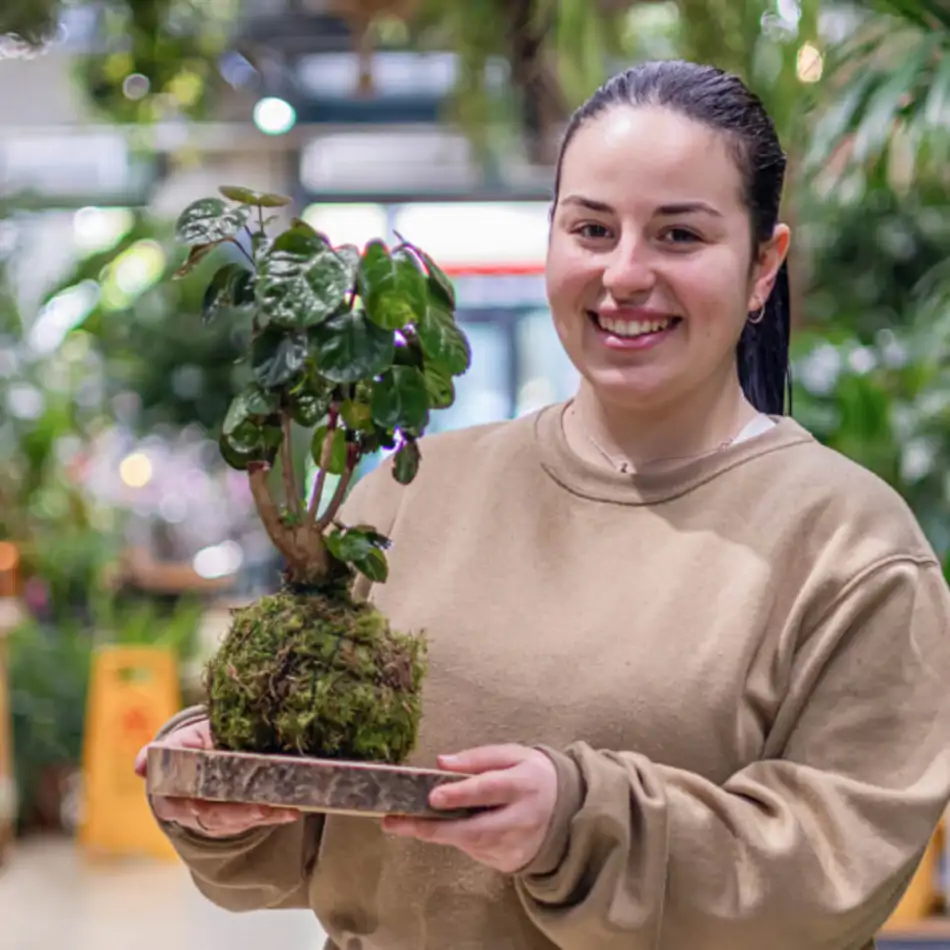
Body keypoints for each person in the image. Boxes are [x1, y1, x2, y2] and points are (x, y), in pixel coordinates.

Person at [136, 60, 950, 950]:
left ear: (764, 266)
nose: (625, 273)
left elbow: (834, 874)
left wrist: (579, 823)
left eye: (679, 235)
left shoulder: (849, 544)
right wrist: (224, 791)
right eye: (592, 229)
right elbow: (312, 838)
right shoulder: (415, 491)